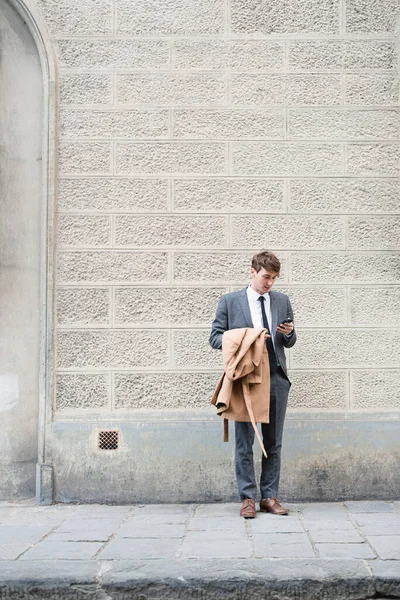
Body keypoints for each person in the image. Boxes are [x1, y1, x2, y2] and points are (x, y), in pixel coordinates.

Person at [209, 251, 296, 518]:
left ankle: (269, 496)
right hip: (246, 381)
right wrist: (249, 336)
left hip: (276, 377)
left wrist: (289, 333)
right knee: (244, 442)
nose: (270, 283)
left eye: (274, 278)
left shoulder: (282, 300)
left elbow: (290, 341)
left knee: (274, 442)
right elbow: (215, 338)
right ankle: (247, 498)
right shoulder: (231, 301)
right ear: (252, 272)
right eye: (266, 277)